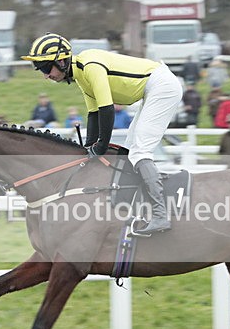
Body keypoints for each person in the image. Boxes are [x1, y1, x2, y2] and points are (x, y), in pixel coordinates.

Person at [22, 32, 182, 236]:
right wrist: (87, 149)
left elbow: (107, 109)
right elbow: (94, 114)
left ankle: (160, 214)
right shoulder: (81, 75)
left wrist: (100, 147)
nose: (45, 75)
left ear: (62, 60)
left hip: (162, 86)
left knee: (139, 152)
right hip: (151, 90)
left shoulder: (90, 66)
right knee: (128, 150)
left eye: (46, 68)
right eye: (41, 70)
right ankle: (135, 205)